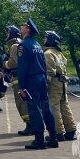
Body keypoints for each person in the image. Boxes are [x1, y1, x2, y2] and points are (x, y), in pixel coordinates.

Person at [17, 18, 57, 149]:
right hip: (41, 78)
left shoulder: (23, 45)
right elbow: (44, 65)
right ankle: (53, 137)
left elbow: (23, 67)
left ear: (27, 29)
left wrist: (22, 86)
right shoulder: (38, 45)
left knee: (34, 108)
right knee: (46, 107)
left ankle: (39, 140)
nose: (21, 27)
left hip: (31, 79)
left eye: (23, 25)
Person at [43, 31, 77, 142]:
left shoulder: (48, 54)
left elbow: (49, 71)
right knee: (65, 106)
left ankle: (58, 132)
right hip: (62, 83)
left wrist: (45, 84)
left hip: (54, 83)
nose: (44, 40)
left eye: (45, 38)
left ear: (50, 40)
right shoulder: (59, 54)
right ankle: (71, 130)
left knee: (54, 107)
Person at [3, 25, 31, 134]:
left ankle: (30, 126)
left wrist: (4, 64)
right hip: (23, 77)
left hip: (18, 79)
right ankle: (31, 124)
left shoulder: (14, 46)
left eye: (7, 33)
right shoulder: (21, 44)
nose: (6, 35)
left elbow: (14, 62)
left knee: (21, 103)